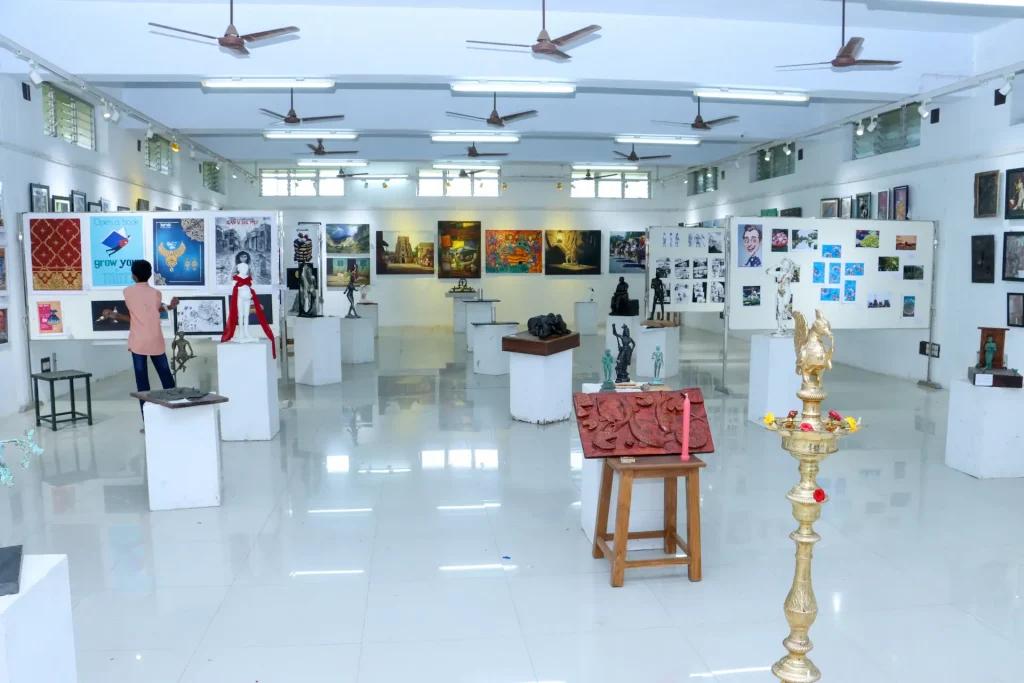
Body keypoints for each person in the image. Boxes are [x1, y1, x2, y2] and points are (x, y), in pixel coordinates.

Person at [103, 260, 178, 424]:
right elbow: (153, 309)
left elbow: (135, 316)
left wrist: (113, 315)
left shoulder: (128, 292)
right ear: (150, 275)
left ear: (133, 276)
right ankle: (176, 416)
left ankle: (148, 423)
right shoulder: (156, 293)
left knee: (142, 383)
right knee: (167, 379)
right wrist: (170, 307)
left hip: (138, 342)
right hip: (155, 341)